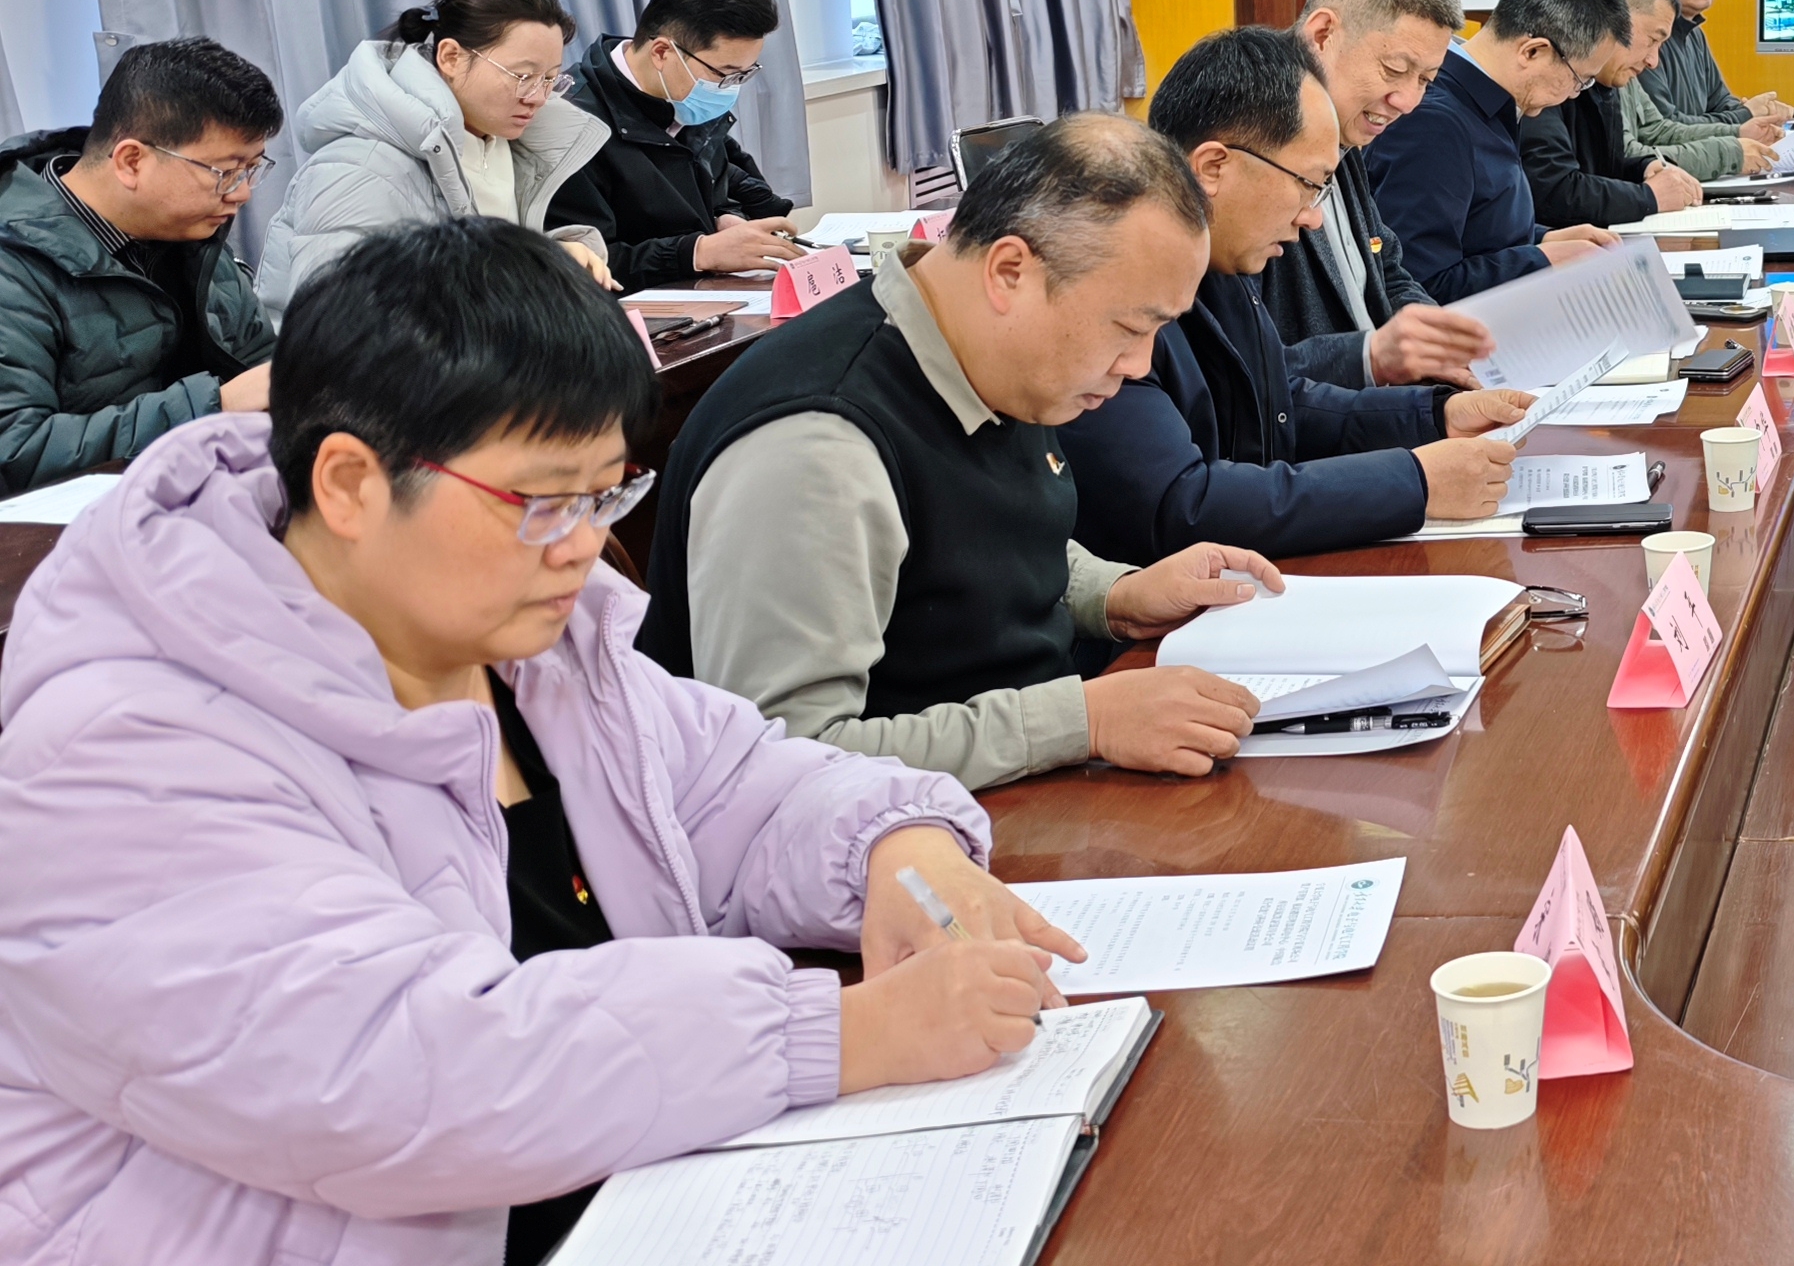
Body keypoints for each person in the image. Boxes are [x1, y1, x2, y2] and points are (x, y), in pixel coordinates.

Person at [0, 218, 1082, 1266]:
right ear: (351, 484)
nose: (582, 548)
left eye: (604, 495)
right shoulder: (122, 747)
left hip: (636, 1203)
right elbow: (392, 1072)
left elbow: (744, 785)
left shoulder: (524, 649)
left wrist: (901, 852)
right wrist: (832, 1039)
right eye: (539, 501)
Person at [638, 116, 1290, 790]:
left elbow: (968, 545)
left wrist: (1115, 595)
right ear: (1009, 272)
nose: (1140, 364)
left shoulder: (987, 347)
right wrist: (1083, 721)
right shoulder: (816, 450)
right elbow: (784, 760)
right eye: (1129, 326)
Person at [1065, 28, 1530, 561]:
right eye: (1309, 184)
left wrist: (1434, 416)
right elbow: (1178, 505)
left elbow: (1279, 404)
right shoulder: (1108, 283)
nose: (1313, 218)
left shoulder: (1224, 261)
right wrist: (1415, 482)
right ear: (1214, 167)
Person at [0, 38, 282, 492]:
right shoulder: (13, 264)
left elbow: (261, 370)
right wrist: (216, 405)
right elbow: (15, 452)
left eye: (251, 168)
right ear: (132, 161)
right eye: (225, 172)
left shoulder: (195, 236)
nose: (242, 193)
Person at [261, 0, 613, 303]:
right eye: (523, 77)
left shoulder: (501, 140)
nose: (538, 98)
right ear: (451, 57)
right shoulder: (359, 166)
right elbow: (339, 317)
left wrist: (550, 256)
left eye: (550, 80)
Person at [1264, 0, 1495, 389]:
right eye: (1394, 70)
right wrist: (1371, 359)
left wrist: (1441, 342)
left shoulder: (1346, 130)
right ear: (1323, 35)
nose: (1407, 101)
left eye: (1425, 80)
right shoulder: (1252, 152)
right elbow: (1248, 376)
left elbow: (1385, 264)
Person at [1368, 0, 1625, 304]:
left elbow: (1476, 229)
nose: (1574, 94)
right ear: (1532, 52)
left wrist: (1543, 240)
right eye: (1580, 80)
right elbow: (1419, 283)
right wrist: (1542, 261)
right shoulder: (1434, 123)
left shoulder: (1489, 106)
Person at [549, 0, 807, 289]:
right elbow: (584, 264)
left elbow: (723, 183)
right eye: (724, 73)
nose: (730, 88)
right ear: (661, 52)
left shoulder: (686, 100)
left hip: (707, 292)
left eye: (744, 74)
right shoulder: (571, 125)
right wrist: (697, 252)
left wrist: (727, 218)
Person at [1520, 0, 1709, 228]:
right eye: (1652, 40)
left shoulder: (1605, 82)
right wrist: (1649, 198)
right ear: (1617, 17)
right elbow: (1553, 191)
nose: (1653, 61)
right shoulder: (1553, 71)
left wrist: (1643, 168)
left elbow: (1599, 169)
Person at [1629, 0, 1793, 170]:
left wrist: (1756, 117)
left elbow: (1721, 102)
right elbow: (1665, 126)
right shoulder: (1641, 40)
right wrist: (1745, 116)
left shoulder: (1694, 33)